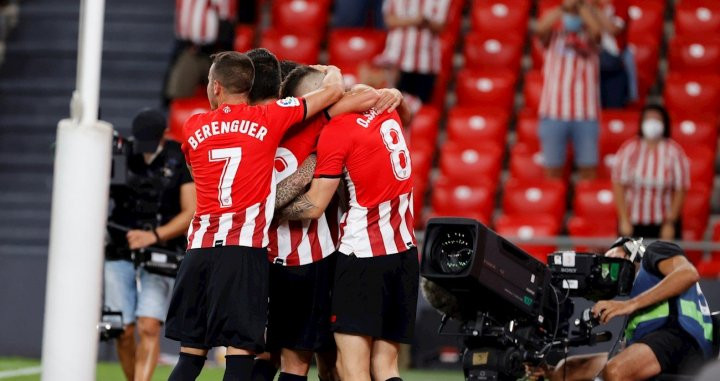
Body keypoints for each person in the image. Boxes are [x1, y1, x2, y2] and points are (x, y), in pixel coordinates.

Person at [164, 51, 344, 381]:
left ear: (216, 87)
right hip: (243, 253)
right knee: (240, 357)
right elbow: (332, 92)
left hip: (199, 252)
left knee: (189, 358)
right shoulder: (269, 118)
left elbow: (197, 171)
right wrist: (329, 69)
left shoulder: (192, 127)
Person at [279, 81, 416, 381]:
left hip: (363, 255)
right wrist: (397, 95)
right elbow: (405, 115)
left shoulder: (337, 131)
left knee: (351, 368)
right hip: (404, 251)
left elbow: (315, 205)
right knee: (386, 367)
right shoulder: (385, 111)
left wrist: (269, 209)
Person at [104, 109, 196, 381]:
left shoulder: (178, 159)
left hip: (161, 250)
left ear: (163, 135)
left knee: (148, 325)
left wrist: (155, 235)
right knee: (122, 329)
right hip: (119, 247)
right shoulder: (122, 156)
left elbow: (190, 210)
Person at [548, 238, 713, 381]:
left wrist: (630, 304)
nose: (607, 269)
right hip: (657, 343)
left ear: (631, 248)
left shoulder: (654, 251)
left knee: (615, 371)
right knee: (568, 369)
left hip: (681, 335)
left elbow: (688, 274)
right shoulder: (638, 292)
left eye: (611, 257)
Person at [535, 0, 603, 180]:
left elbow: (597, 32)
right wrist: (563, 8)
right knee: (552, 171)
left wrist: (581, 7)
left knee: (588, 170)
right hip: (553, 113)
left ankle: (586, 207)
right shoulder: (553, 37)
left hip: (586, 114)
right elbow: (540, 28)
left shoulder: (590, 38)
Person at [612, 104, 690, 240]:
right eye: (648, 119)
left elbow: (681, 188)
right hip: (633, 221)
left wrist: (670, 223)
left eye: (656, 119)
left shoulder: (674, 152)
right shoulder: (629, 149)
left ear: (664, 123)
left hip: (662, 222)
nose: (652, 123)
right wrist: (624, 219)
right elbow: (618, 184)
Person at [164, 0, 236, 103]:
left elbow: (226, 16)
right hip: (190, 49)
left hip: (217, 51)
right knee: (177, 94)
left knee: (226, 96)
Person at [380, 0, 450, 104]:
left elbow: (441, 26)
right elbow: (388, 20)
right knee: (392, 106)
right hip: (396, 60)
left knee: (419, 108)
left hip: (425, 63)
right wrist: (414, 21)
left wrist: (424, 21)